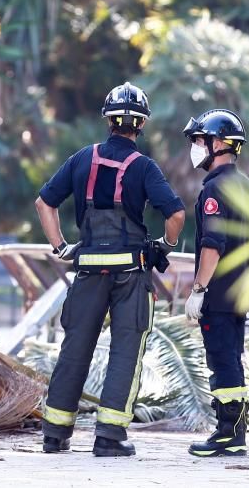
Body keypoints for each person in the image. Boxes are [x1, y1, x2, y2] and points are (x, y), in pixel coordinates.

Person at [35, 82, 186, 457]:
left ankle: (55, 433)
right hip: (131, 276)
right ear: (141, 124)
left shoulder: (81, 159)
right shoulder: (144, 167)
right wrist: (165, 245)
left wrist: (60, 247)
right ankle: (109, 437)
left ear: (108, 120)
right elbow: (177, 215)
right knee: (125, 351)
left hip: (87, 273)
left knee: (75, 348)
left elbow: (44, 203)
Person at [182, 109, 249, 458]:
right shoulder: (244, 185)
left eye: (200, 140)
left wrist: (198, 290)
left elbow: (213, 244)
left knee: (222, 361)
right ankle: (236, 431)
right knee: (233, 360)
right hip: (242, 292)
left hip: (221, 294)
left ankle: (227, 433)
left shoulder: (215, 188)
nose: (196, 147)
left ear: (219, 144)